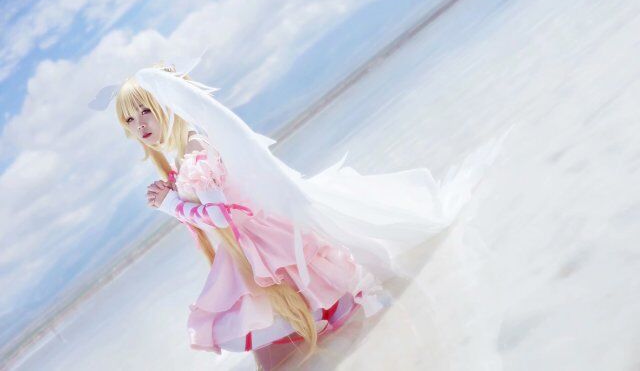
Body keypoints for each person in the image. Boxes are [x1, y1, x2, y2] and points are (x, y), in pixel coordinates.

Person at [91, 54, 511, 369]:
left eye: (145, 110)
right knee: (290, 348)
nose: (140, 124)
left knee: (287, 350)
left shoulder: (196, 149)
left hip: (262, 253)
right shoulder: (185, 154)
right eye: (130, 119)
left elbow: (220, 217)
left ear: (168, 103)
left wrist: (172, 205)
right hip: (254, 255)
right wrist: (176, 202)